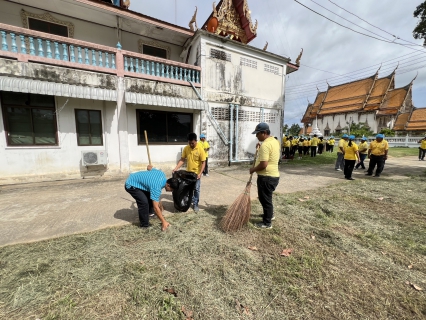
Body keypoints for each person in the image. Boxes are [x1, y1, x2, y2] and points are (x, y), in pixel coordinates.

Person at [125, 165, 178, 231]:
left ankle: (150, 214)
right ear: (168, 185)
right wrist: (163, 221)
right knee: (144, 203)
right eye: (171, 190)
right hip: (131, 184)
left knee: (150, 197)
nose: (171, 191)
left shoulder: (161, 173)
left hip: (138, 181)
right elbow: (156, 208)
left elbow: (149, 167)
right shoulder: (156, 187)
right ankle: (144, 225)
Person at [250, 122, 280, 229]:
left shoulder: (266, 145)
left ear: (264, 133)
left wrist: (253, 169)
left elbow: (264, 164)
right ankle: (269, 215)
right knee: (267, 198)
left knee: (265, 199)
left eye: (258, 134)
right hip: (274, 176)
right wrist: (260, 147)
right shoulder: (275, 141)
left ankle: (267, 223)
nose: (256, 136)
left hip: (266, 177)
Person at [173, 133, 206, 212]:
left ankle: (195, 204)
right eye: (189, 143)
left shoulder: (200, 149)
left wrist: (200, 173)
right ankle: (188, 201)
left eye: (192, 143)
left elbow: (203, 162)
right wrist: (176, 168)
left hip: (196, 174)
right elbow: (182, 159)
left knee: (196, 189)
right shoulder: (186, 148)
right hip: (188, 173)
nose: (191, 144)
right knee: (187, 188)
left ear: (196, 141)